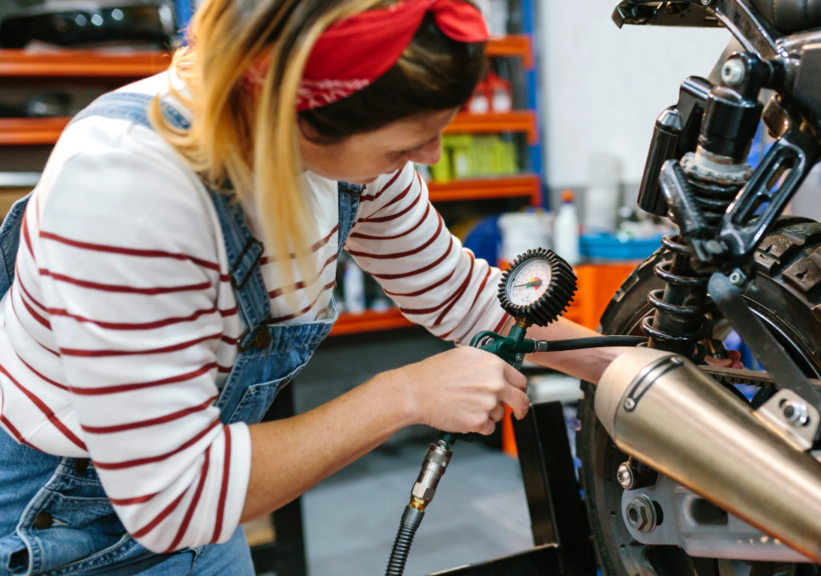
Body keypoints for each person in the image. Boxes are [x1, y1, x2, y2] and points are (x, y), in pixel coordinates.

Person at [0, 0, 659, 573]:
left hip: (198, 489)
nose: (429, 158)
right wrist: (403, 395)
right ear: (296, 109)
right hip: (54, 520)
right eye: (406, 145)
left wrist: (645, 377)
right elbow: (175, 497)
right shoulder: (128, 194)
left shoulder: (346, 155)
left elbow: (462, 294)